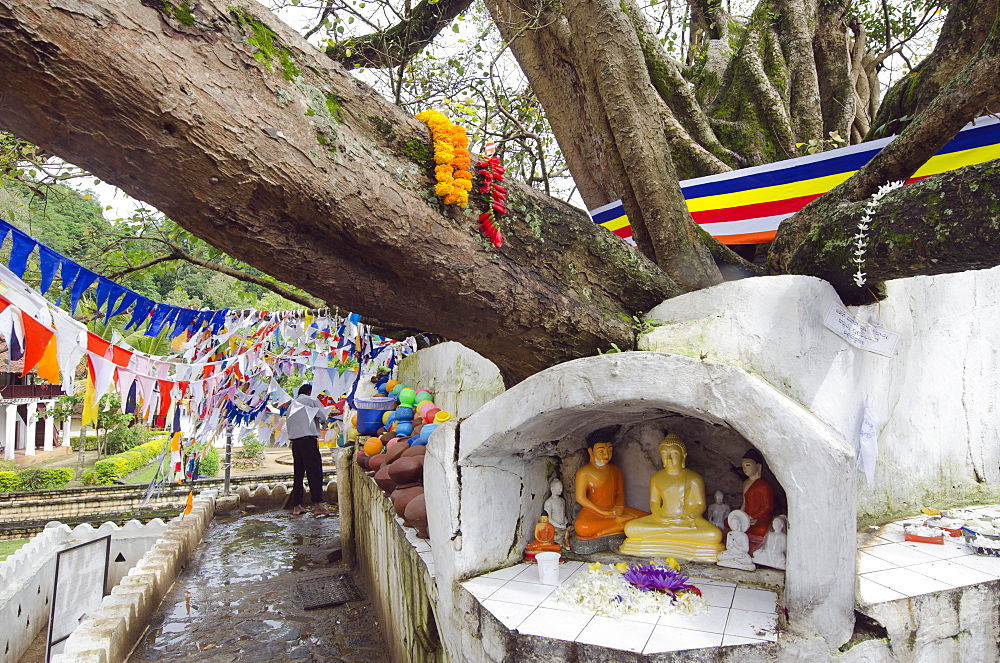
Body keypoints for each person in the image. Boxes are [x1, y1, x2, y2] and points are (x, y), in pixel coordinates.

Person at [619, 433, 724, 562]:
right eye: (664, 454)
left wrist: (687, 517)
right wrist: (661, 518)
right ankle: (672, 533)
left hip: (688, 520)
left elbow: (700, 504)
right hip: (662, 520)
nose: (668, 458)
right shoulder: (657, 478)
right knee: (630, 528)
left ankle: (667, 534)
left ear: (683, 456)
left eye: (673, 454)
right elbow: (654, 502)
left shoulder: (694, 478)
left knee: (714, 535)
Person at [573, 439, 646, 539]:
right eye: (601, 451)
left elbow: (619, 493)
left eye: (610, 450)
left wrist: (619, 507)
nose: (606, 454)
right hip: (593, 511)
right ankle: (619, 523)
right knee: (582, 527)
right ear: (591, 452)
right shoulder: (584, 472)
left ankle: (608, 530)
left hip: (614, 510)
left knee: (648, 518)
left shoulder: (615, 470)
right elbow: (580, 498)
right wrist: (602, 512)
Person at [286, 384, 331, 515]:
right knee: (315, 472)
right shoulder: (310, 401)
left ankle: (296, 505)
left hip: (295, 443)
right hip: (308, 441)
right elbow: (323, 416)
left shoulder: (291, 405)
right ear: (310, 392)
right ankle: (318, 505)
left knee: (298, 474)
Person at [740, 448, 775, 554]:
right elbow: (744, 503)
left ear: (758, 466)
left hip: (759, 518)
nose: (745, 469)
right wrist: (740, 515)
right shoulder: (745, 483)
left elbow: (768, 507)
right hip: (747, 517)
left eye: (748, 465)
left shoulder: (764, 485)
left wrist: (752, 517)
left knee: (762, 530)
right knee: (728, 522)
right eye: (743, 467)